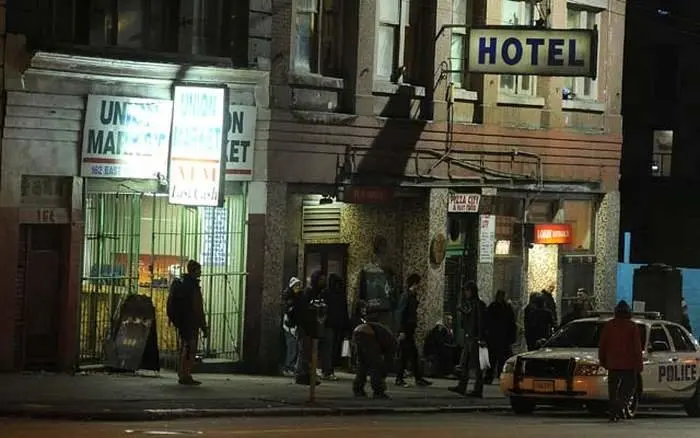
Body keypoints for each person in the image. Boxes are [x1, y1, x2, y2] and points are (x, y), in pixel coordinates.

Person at [599, 300, 643, 422]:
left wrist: (602, 360)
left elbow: (603, 345)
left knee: (613, 390)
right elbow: (637, 347)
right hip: (628, 364)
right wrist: (639, 364)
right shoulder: (632, 326)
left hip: (612, 364)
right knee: (629, 388)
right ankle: (619, 406)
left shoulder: (609, 325)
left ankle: (613, 413)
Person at [352, 300, 397, 399]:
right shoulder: (392, 343)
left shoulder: (385, 331)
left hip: (358, 331)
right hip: (369, 335)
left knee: (362, 363)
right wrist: (384, 373)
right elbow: (386, 362)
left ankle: (358, 389)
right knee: (376, 365)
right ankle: (378, 391)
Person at [449, 281, 487, 397]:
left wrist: (481, 337)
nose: (466, 293)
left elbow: (480, 322)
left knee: (476, 365)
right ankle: (462, 385)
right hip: (469, 337)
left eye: (467, 291)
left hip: (475, 338)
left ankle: (478, 389)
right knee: (464, 363)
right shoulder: (470, 304)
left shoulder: (478, 305)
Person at [395, 273, 432, 388]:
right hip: (406, 329)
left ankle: (416, 378)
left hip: (410, 329)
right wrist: (401, 330)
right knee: (405, 355)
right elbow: (401, 313)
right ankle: (401, 378)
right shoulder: (406, 296)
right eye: (418, 284)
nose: (419, 286)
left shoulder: (412, 295)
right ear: (414, 283)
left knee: (411, 354)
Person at [175, 260, 209, 385]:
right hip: (191, 322)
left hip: (183, 321)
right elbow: (198, 308)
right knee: (190, 348)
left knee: (185, 347)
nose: (200, 272)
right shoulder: (193, 287)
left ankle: (182, 372)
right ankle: (186, 374)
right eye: (199, 270)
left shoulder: (183, 285)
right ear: (194, 271)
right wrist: (203, 325)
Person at [293, 270, 326, 386]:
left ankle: (307, 375)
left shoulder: (318, 293)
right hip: (305, 326)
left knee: (309, 352)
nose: (323, 282)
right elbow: (302, 310)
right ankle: (301, 375)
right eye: (321, 279)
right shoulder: (309, 293)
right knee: (304, 351)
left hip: (312, 327)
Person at [320, 274, 349, 380]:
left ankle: (328, 369)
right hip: (332, 325)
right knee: (330, 349)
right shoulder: (336, 294)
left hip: (333, 324)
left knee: (331, 349)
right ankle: (327, 370)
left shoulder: (329, 293)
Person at [485, 290, 516, 383]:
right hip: (497, 337)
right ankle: (491, 376)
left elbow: (511, 323)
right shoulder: (500, 307)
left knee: (499, 358)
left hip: (500, 337)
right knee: (494, 358)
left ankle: (496, 376)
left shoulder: (504, 307)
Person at [281, 277, 303, 376]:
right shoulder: (290, 298)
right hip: (290, 327)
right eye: (296, 285)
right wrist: (291, 328)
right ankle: (287, 367)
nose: (298, 287)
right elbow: (288, 315)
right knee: (292, 348)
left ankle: (290, 366)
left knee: (294, 348)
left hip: (293, 326)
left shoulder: (296, 297)